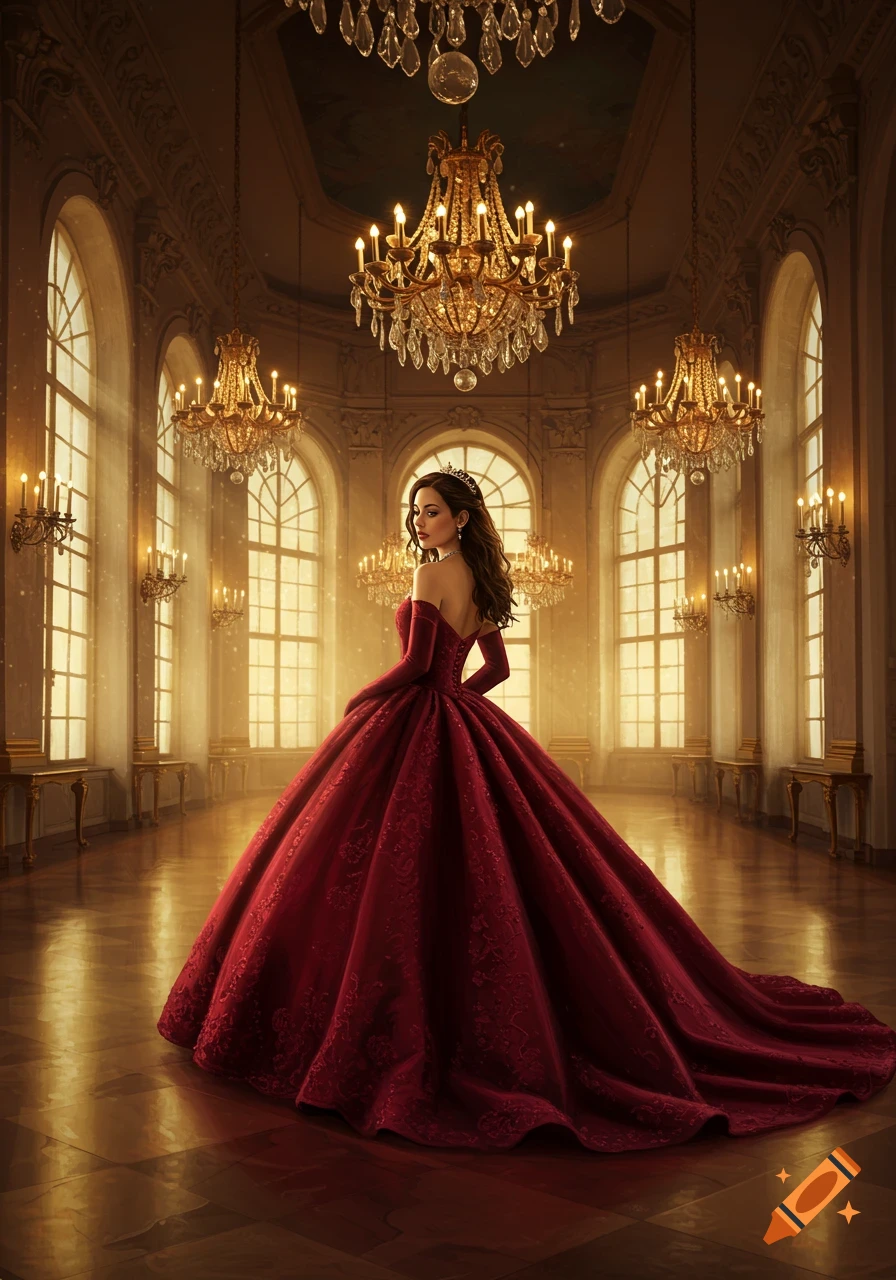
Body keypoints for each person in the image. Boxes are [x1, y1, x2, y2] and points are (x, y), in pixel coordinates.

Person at [158, 462, 896, 1152]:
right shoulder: (479, 575)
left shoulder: (431, 572)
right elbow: (497, 667)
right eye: (416, 513)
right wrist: (457, 707)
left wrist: (371, 698)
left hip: (418, 713)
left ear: (463, 517)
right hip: (455, 716)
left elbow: (417, 664)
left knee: (374, 868)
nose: (420, 523)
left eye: (433, 512)